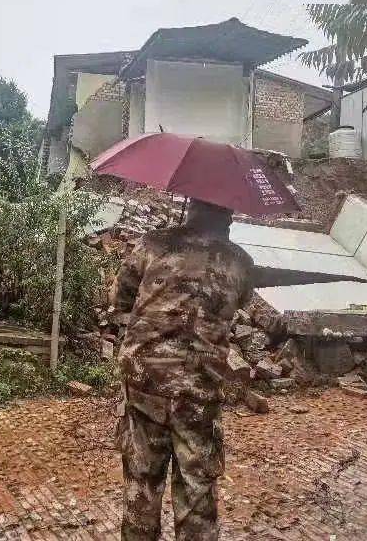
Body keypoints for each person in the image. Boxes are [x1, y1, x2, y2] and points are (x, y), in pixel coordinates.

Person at [111, 199, 254, 540]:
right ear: (227, 217)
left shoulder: (152, 244)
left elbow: (121, 299)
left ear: (191, 207)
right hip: (199, 389)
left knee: (142, 482)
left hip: (146, 380)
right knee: (196, 490)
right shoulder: (239, 262)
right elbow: (240, 303)